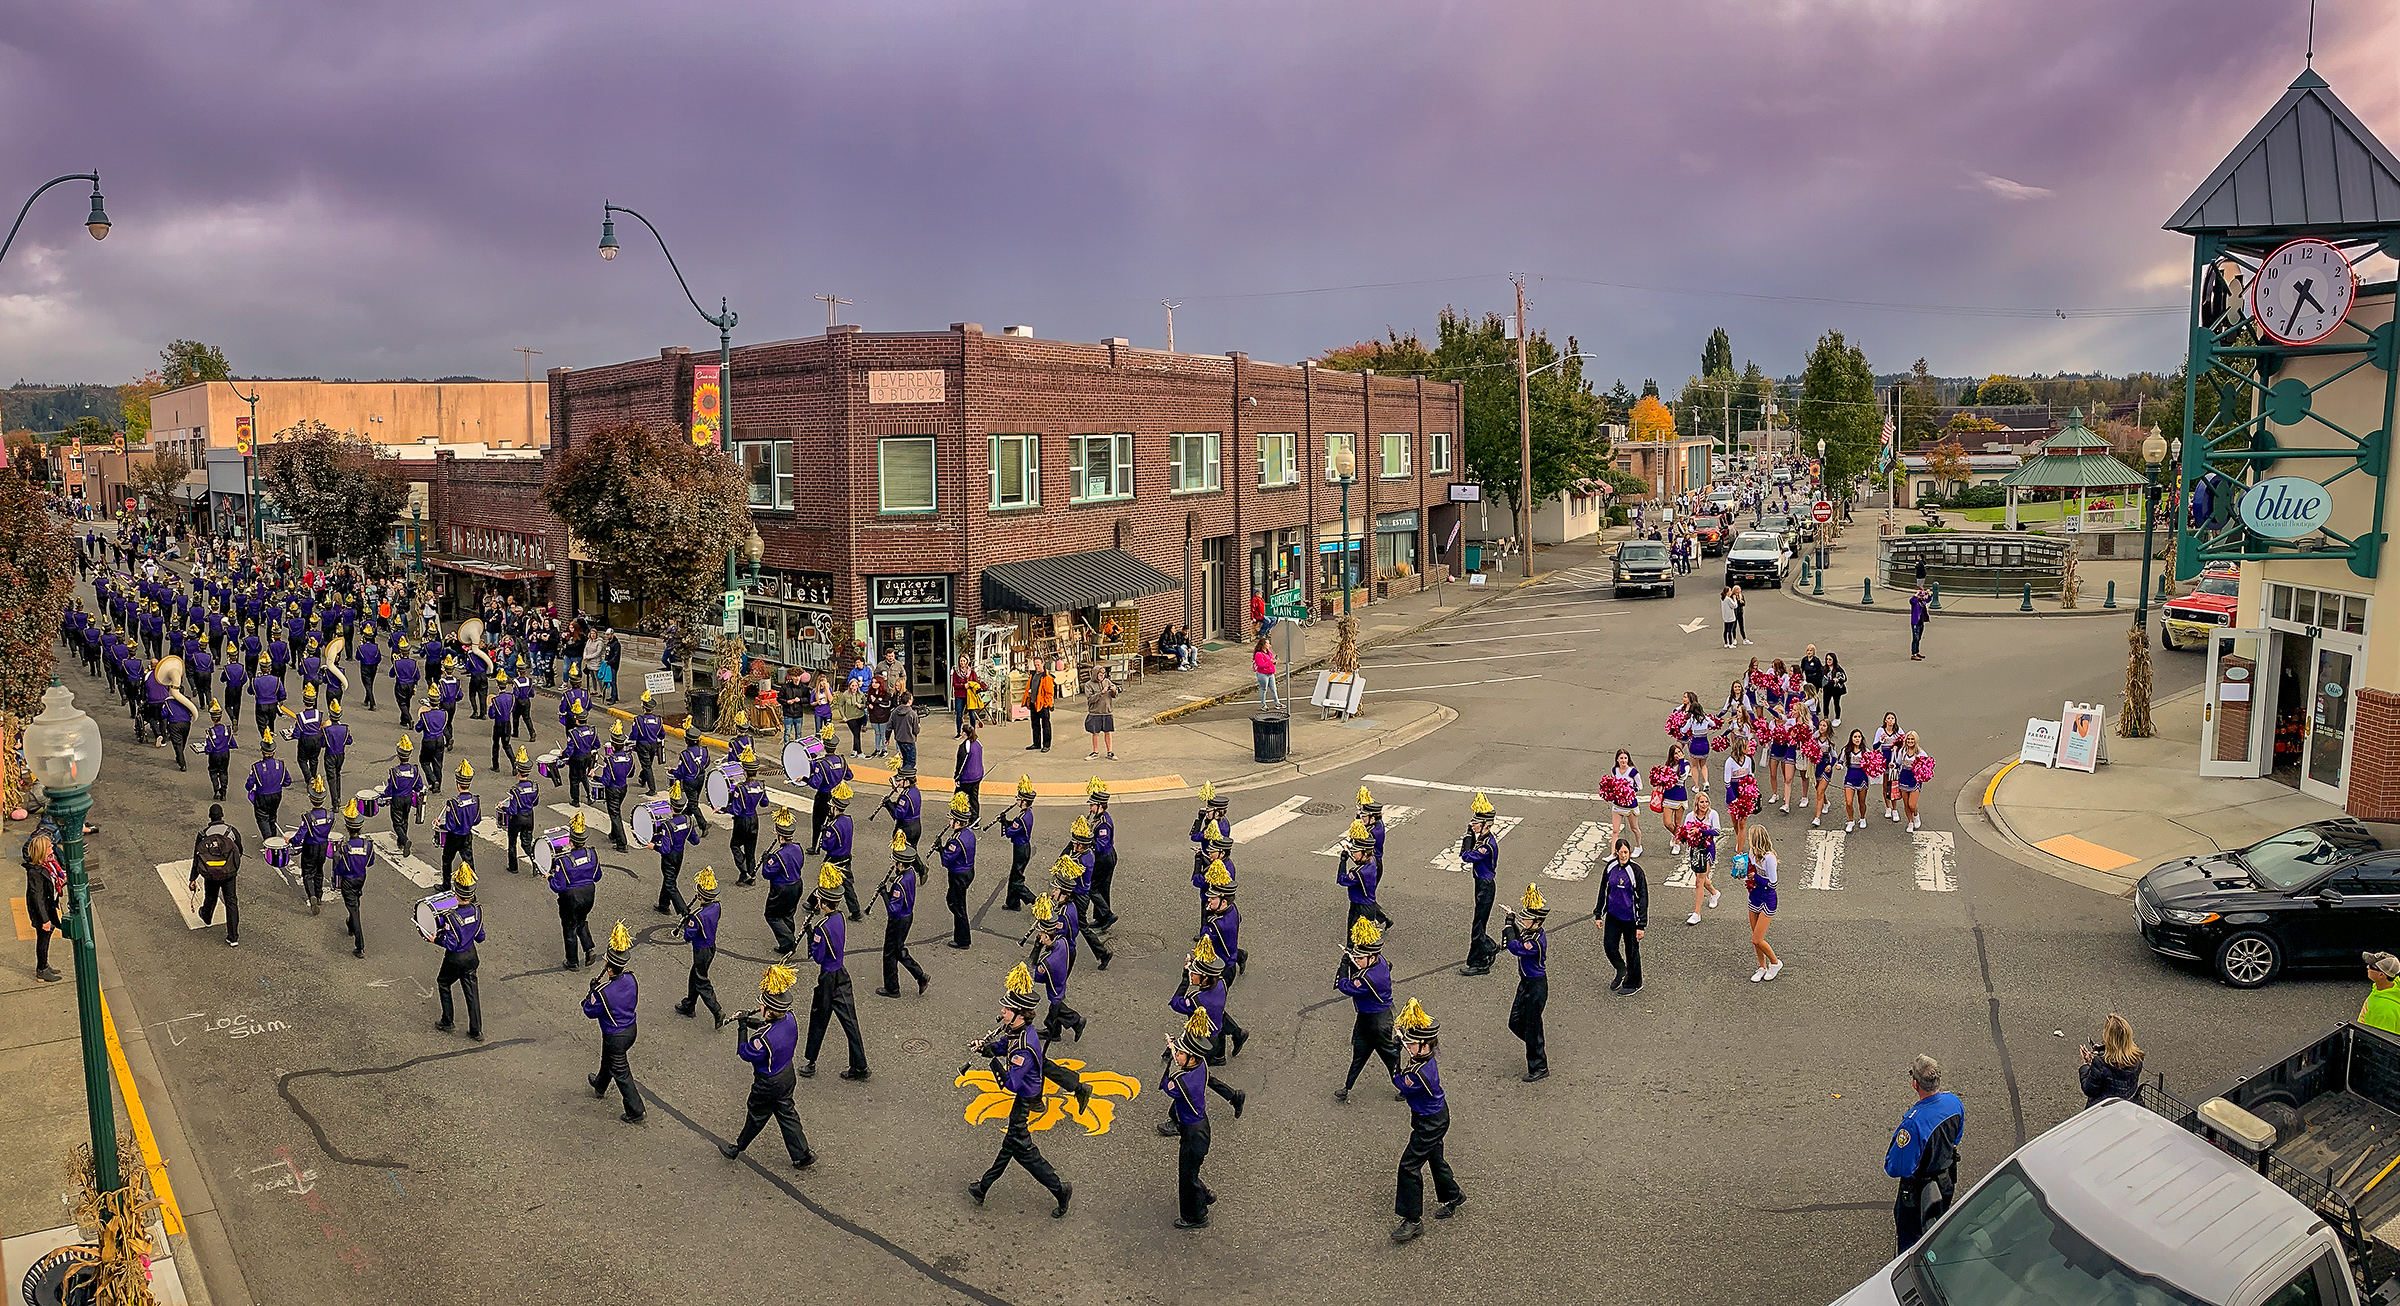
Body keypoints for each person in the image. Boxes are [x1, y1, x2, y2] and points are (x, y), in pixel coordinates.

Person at [966, 963, 1074, 1218]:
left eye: (1007, 1010)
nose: (1002, 1013)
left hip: (1024, 1098)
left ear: (1020, 1015)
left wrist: (992, 1063)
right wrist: (986, 1048)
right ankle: (982, 1188)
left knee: (1024, 1152)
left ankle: (1060, 1189)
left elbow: (1011, 1084)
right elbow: (1003, 1045)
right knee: (1010, 1146)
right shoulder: (1018, 1030)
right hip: (1023, 1097)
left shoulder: (1025, 1046)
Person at [723, 964, 816, 1169]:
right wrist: (751, 1021)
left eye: (763, 1006)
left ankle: (737, 1148)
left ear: (769, 1011)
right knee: (786, 1112)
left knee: (756, 1115)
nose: (761, 1006)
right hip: (787, 1075)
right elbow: (769, 1027)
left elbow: (745, 1052)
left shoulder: (762, 1040)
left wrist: (741, 1025)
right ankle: (803, 1153)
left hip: (768, 1083)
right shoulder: (789, 1018)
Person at [1389, 998, 1464, 1244]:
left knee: (1408, 1166)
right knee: (1434, 1157)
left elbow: (1399, 1081)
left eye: (1411, 1044)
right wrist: (1402, 1038)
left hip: (1430, 1122)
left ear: (1424, 1045)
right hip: (1432, 1116)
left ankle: (1412, 1220)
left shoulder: (1419, 1074)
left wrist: (1393, 1053)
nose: (1408, 1046)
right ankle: (1453, 1195)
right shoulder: (1425, 1055)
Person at [1885, 1054, 1964, 1253]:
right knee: (1937, 1229)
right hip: (1946, 1182)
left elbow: (1899, 1167)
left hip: (1919, 1193)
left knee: (1911, 1241)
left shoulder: (1913, 1123)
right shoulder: (1954, 1103)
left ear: (1915, 1083)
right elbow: (1956, 1138)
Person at [801, 864, 870, 1081]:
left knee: (818, 1019)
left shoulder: (822, 927)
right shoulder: (838, 918)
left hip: (828, 978)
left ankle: (810, 1062)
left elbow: (819, 957)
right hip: (842, 973)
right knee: (850, 1021)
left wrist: (810, 935)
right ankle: (860, 1065)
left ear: (822, 903)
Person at [581, 922, 646, 1124]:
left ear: (609, 969)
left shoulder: (603, 993)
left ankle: (635, 1110)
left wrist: (592, 992)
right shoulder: (631, 978)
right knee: (607, 1058)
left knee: (622, 1072)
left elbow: (589, 1011)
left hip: (615, 1035)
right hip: (630, 1029)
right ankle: (600, 1085)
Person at [1160, 1007, 1218, 1229]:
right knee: (1190, 1171)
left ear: (1191, 1058)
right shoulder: (1200, 1065)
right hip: (1198, 1127)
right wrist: (1175, 1048)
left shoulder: (1183, 1083)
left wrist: (1169, 1058)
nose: (1177, 1056)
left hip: (1193, 1133)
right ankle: (1205, 1194)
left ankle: (1196, 1216)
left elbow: (1167, 1085)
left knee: (1186, 1176)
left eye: (1180, 1054)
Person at [1335, 917, 1401, 1101]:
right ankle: (1347, 1087)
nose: (1356, 959)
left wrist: (1344, 965)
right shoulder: (1379, 960)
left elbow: (1345, 987)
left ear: (1371, 958)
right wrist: (1353, 959)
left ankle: (1406, 1087)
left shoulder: (1368, 979)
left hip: (1379, 1023)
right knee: (1360, 1052)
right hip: (1367, 1018)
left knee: (1390, 1057)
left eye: (1359, 958)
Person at [874, 828, 932, 996]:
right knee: (898, 950)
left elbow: (892, 909)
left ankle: (892, 988)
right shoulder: (910, 874)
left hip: (898, 920)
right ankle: (920, 976)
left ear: (900, 864)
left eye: (895, 862)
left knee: (889, 953)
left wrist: (884, 893)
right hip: (907, 916)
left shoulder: (899, 883)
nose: (894, 864)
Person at [431, 865, 485, 1040]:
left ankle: (447, 1020)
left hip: (455, 958)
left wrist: (436, 940)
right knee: (472, 991)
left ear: (456, 894)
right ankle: (476, 1030)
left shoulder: (451, 916)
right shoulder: (477, 911)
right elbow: (480, 937)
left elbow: (451, 944)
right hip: (471, 956)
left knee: (443, 982)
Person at [1502, 884, 1549, 1082]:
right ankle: (1534, 1044)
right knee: (1515, 1021)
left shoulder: (1536, 942)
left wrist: (1507, 926)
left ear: (1536, 921)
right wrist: (1512, 918)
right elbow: (1519, 937)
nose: (1523, 921)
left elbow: (1515, 947)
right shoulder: (1530, 932)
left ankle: (1539, 1065)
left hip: (1536, 986)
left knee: (1532, 1025)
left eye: (1525, 918)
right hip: (1526, 983)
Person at [1594, 838, 1647, 995]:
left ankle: (1634, 983)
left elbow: (1643, 898)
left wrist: (1641, 925)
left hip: (1630, 918)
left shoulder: (1636, 871)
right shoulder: (1610, 867)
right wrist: (1598, 914)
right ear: (1616, 852)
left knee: (1632, 951)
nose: (1624, 855)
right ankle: (1621, 969)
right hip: (1613, 916)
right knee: (1609, 947)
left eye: (1626, 852)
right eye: (1621, 852)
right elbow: (1603, 890)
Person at [676, 867, 727, 1027]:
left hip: (701, 950)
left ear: (700, 897)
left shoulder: (697, 916)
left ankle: (717, 1010)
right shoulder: (717, 906)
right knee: (695, 976)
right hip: (711, 947)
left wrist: (686, 922)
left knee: (701, 981)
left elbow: (688, 936)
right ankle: (689, 1004)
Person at [1457, 792, 1500, 976]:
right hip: (1481, 884)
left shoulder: (1486, 845)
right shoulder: (1482, 839)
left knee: (1478, 926)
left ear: (1485, 825)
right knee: (1479, 923)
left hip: (1485, 886)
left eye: (1476, 823)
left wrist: (1468, 836)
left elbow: (1467, 856)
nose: (1472, 825)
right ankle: (1489, 946)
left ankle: (1479, 962)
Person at [189, 803, 244, 947]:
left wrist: (192, 878)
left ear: (210, 817)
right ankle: (233, 937)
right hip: (228, 872)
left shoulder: (203, 834)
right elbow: (240, 850)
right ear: (222, 815)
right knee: (231, 901)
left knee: (211, 896)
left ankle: (206, 916)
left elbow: (197, 857)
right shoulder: (231, 831)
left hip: (211, 873)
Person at [21, 824, 63, 982]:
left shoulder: (48, 864)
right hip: (42, 911)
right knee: (43, 937)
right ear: (42, 851)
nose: (52, 846)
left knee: (47, 936)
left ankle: (44, 965)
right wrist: (44, 919)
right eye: (49, 846)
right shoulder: (35, 873)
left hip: (48, 907)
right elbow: (36, 897)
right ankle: (42, 969)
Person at [938, 790, 977, 950]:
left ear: (959, 822)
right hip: (968, 871)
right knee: (953, 901)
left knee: (958, 906)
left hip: (959, 875)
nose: (949, 821)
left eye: (952, 819)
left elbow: (946, 861)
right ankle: (962, 935)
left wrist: (940, 849)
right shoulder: (968, 833)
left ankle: (963, 939)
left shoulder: (956, 840)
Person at [2079, 1013, 2144, 1107]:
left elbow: (2089, 1090)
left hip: (2104, 1108)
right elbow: (2119, 1052)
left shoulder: (2100, 1063)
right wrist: (2103, 1049)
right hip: (2128, 1104)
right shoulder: (2137, 1057)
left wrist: (2085, 1065)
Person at [1744, 827, 1783, 982]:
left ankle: (1775, 962)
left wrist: (1756, 877)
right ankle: (1762, 966)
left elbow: (1773, 884)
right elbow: (1749, 872)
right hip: (1754, 895)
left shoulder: (1769, 858)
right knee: (1755, 936)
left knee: (1757, 939)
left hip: (1767, 899)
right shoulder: (1752, 853)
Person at [1683, 785, 1721, 927]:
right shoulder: (1690, 816)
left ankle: (1696, 913)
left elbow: (1717, 831)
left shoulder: (1713, 814)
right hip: (1694, 850)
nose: (1704, 805)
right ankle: (1714, 893)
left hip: (1707, 849)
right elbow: (1685, 831)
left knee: (1699, 880)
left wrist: (1701, 831)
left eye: (1706, 802)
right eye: (1701, 802)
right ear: (1696, 804)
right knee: (1702, 878)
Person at [1023, 659, 1057, 753]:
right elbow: (1029, 689)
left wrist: (1047, 704)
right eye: (1035, 665)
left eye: (1038, 665)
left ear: (1042, 664)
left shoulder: (1046, 676)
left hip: (1043, 705)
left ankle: (1046, 745)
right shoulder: (1033, 675)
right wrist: (1028, 701)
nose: (1037, 667)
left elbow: (1049, 693)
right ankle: (1036, 743)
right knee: (1035, 725)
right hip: (1034, 703)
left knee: (1045, 725)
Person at [1082, 665, 1116, 761]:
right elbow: (1090, 699)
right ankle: (1095, 752)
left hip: (1107, 711)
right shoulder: (1088, 685)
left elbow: (1114, 695)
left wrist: (1114, 690)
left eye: (1103, 675)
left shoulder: (1107, 682)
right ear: (1095, 675)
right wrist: (1101, 693)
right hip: (1095, 712)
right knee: (1095, 733)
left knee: (1108, 732)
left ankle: (1110, 751)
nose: (1102, 677)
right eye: (1100, 675)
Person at [2362, 953, 2400, 1037]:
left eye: (2371, 966)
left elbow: (2380, 1041)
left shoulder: (2385, 1013)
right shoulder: (2389, 985)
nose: (2367, 967)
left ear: (2381, 975)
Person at [1253, 638, 1279, 708]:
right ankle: (1263, 704)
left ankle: (1277, 703)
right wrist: (1270, 662)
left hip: (1270, 673)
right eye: (1267, 643)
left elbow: (1270, 661)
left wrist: (1274, 662)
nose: (1269, 645)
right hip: (1263, 674)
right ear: (1263, 645)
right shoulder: (1259, 654)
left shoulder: (1269, 652)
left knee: (1273, 689)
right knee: (1263, 689)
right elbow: (1261, 665)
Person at [1910, 582, 1932, 661]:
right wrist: (1916, 595)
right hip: (1916, 622)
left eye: (1922, 595)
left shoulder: (1922, 602)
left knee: (1919, 638)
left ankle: (1917, 651)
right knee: (1915, 638)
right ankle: (1913, 654)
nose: (1922, 597)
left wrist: (1929, 594)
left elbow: (1929, 599)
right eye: (1920, 595)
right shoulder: (1915, 602)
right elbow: (1911, 601)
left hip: (1921, 622)